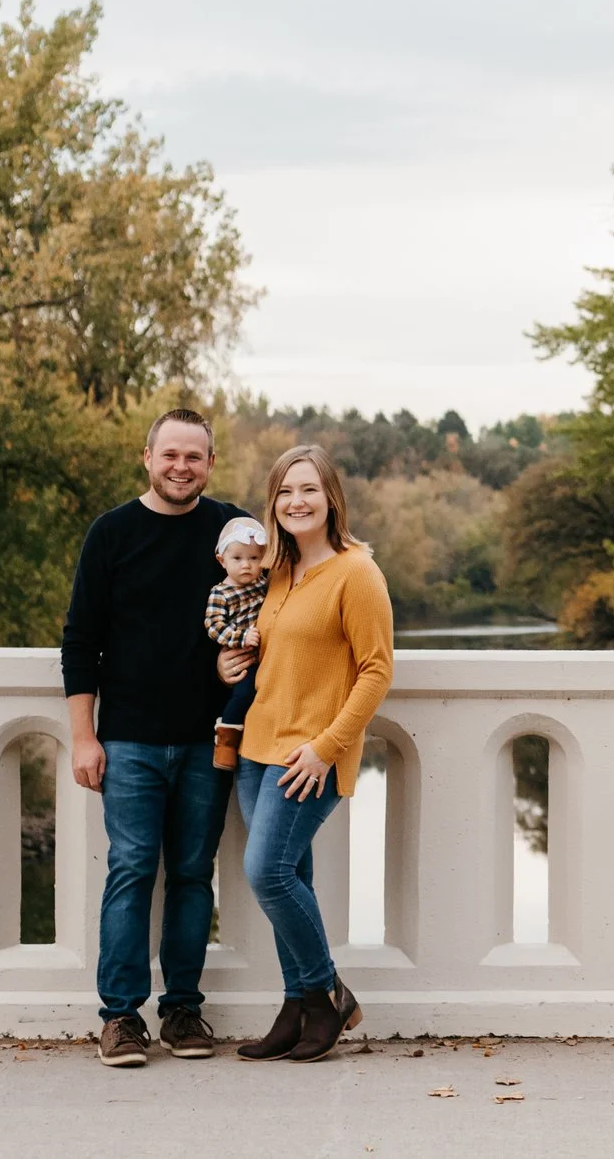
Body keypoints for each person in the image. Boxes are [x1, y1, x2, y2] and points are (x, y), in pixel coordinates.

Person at [60, 409, 249, 1069]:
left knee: (194, 875)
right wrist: (84, 736)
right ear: (147, 457)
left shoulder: (233, 531)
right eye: (170, 454)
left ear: (210, 462)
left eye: (193, 456)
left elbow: (270, 612)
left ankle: (183, 1009)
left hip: (209, 741)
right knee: (133, 870)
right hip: (131, 740)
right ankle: (119, 1017)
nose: (180, 466)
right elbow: (81, 641)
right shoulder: (111, 533)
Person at [222, 443, 394, 1064]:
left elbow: (376, 672)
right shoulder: (274, 572)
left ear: (331, 499)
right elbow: (268, 654)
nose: (296, 502)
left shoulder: (356, 572)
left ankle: (328, 995)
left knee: (266, 871)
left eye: (309, 490)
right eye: (284, 492)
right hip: (256, 748)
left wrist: (326, 748)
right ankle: (297, 1007)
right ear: (273, 503)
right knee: (291, 876)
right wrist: (226, 662)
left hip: (309, 757)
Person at [204, 517, 270, 769]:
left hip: (264, 657)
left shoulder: (263, 585)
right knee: (244, 694)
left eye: (254, 559)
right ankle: (226, 739)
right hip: (242, 656)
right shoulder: (221, 593)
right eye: (238, 558)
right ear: (222, 560)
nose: (246, 565)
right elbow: (214, 626)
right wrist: (241, 637)